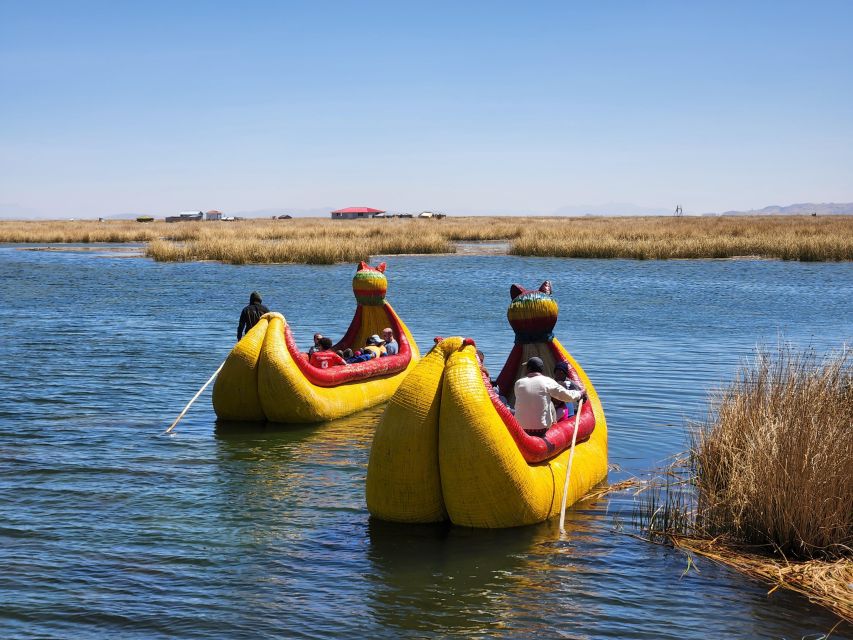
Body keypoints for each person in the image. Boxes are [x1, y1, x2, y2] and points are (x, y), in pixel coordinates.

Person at [513, 356, 584, 437]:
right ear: (542, 370)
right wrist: (580, 393)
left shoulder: (518, 383)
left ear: (528, 369)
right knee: (549, 402)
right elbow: (566, 396)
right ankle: (554, 423)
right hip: (540, 430)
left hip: (520, 428)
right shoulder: (548, 381)